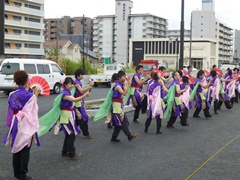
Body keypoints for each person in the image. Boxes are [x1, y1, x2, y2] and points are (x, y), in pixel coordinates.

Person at [2, 70, 40, 180]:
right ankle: (23, 174)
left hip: (15, 121)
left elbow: (11, 110)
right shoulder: (30, 95)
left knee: (16, 146)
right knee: (25, 149)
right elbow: (33, 111)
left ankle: (17, 174)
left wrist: (10, 124)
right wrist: (35, 97)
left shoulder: (12, 95)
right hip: (27, 122)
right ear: (26, 81)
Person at [57, 77, 90, 159]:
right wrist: (85, 95)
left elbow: (72, 104)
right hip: (65, 116)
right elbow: (74, 100)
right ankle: (71, 153)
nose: (71, 86)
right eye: (70, 84)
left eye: (72, 84)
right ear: (65, 85)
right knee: (71, 134)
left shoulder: (68, 92)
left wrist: (77, 112)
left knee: (69, 134)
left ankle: (64, 151)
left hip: (69, 115)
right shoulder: (65, 94)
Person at [111, 70, 137, 142]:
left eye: (125, 76)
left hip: (119, 105)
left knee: (119, 122)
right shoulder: (117, 86)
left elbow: (125, 92)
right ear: (119, 78)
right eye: (124, 76)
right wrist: (128, 85)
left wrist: (127, 85)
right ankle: (129, 136)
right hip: (116, 105)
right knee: (122, 120)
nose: (125, 78)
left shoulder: (122, 84)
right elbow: (124, 93)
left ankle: (114, 137)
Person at [74, 69, 94, 139]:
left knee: (79, 118)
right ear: (78, 75)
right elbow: (81, 91)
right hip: (77, 102)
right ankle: (85, 133)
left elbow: (81, 92)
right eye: (82, 75)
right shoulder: (76, 83)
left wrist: (90, 87)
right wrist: (89, 86)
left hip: (80, 100)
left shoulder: (78, 81)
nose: (83, 76)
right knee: (83, 118)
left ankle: (73, 129)